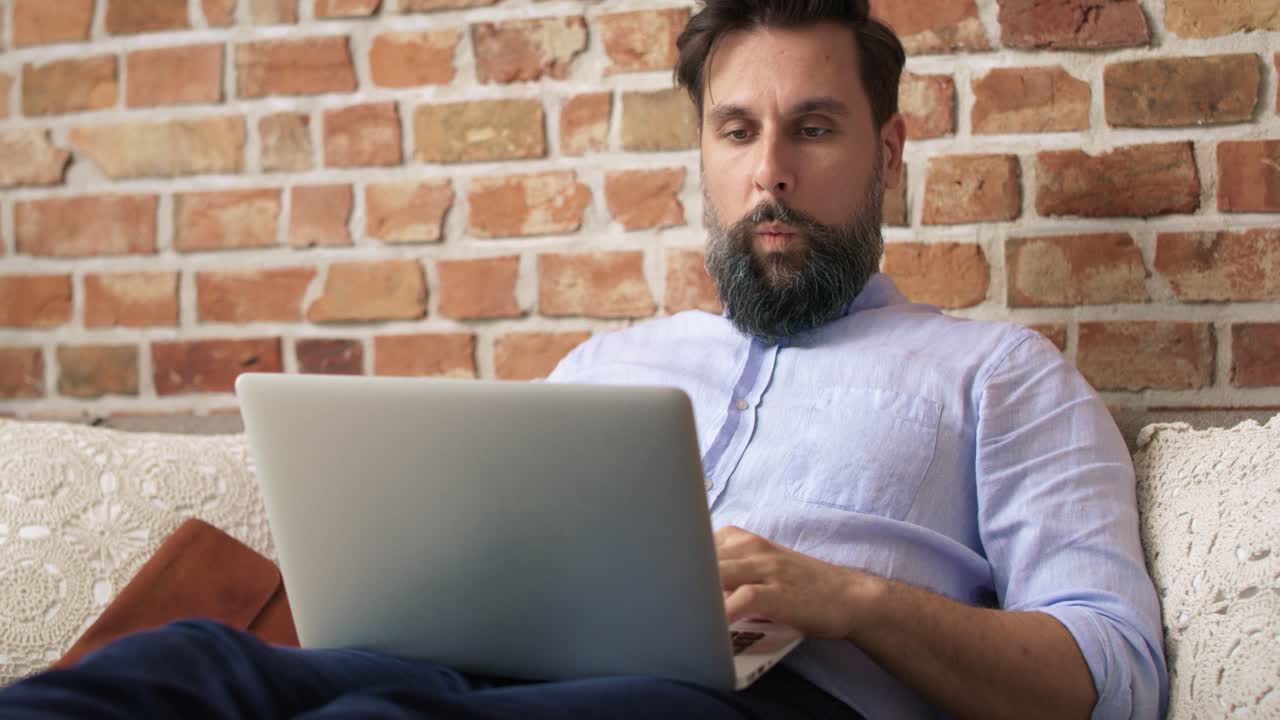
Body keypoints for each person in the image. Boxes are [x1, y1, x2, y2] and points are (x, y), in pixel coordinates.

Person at [0, 1, 1167, 718]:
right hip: (494, 685)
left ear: (887, 151)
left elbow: (1110, 675)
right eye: (736, 130)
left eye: (812, 128)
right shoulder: (605, 363)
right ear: (704, 158)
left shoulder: (996, 375)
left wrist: (847, 600)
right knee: (188, 664)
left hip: (761, 709)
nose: (769, 172)